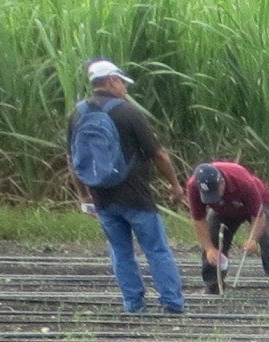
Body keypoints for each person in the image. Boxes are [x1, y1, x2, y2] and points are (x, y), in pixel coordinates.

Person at [66, 60, 187, 317]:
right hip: (136, 196)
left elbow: (72, 161)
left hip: (102, 197)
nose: (125, 89)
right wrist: (175, 185)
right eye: (122, 82)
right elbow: (158, 154)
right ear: (111, 80)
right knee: (156, 249)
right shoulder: (128, 112)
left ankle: (134, 306)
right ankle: (173, 304)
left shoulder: (77, 114)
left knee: (120, 253)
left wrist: (84, 195)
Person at [185, 161, 269, 296]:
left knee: (266, 238)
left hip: (259, 202)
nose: (213, 197)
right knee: (213, 236)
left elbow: (258, 216)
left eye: (215, 192)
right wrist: (209, 248)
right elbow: (198, 219)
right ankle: (213, 284)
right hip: (224, 209)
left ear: (222, 182)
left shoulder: (243, 181)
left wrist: (253, 239)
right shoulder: (193, 186)